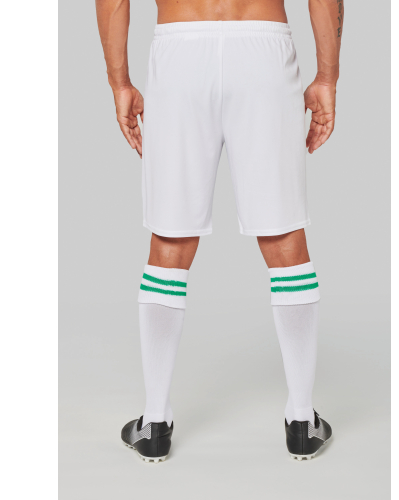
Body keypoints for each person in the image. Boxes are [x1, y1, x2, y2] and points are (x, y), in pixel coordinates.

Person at [96, 0, 343, 463]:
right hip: (263, 48)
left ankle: (154, 423)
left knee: (170, 237)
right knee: (284, 234)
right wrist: (327, 77)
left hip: (181, 49)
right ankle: (302, 421)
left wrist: (120, 82)